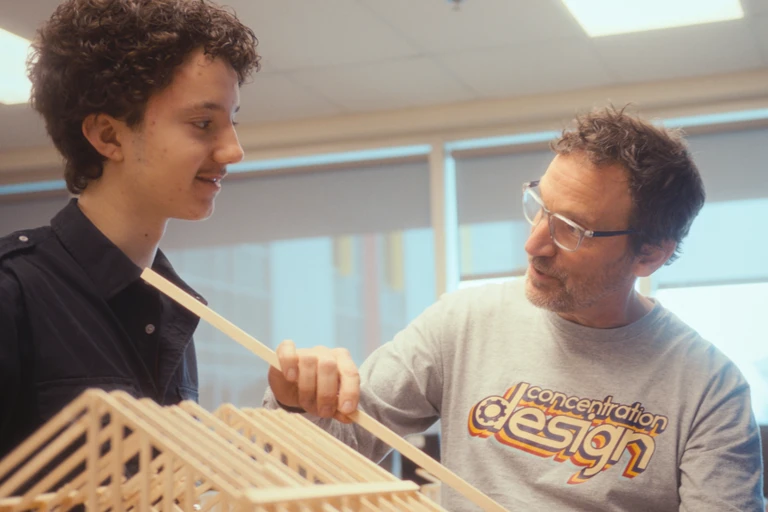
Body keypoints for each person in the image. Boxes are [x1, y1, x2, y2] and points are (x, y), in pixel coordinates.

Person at [264, 107, 766, 511]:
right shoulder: (463, 322)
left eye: (572, 230)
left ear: (650, 254)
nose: (534, 245)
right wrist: (296, 403)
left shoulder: (708, 389)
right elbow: (323, 461)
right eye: (541, 208)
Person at [0, 0, 259, 461]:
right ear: (109, 136)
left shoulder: (171, 306)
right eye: (203, 124)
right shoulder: (12, 293)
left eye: (231, 121)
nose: (233, 150)